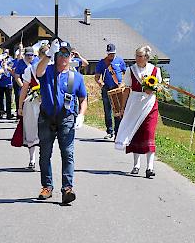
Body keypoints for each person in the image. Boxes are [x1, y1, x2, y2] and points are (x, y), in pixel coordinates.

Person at [35, 39, 87, 204]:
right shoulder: (48, 71)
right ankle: (47, 186)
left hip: (66, 118)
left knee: (67, 154)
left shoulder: (75, 77)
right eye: (61, 53)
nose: (63, 57)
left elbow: (83, 99)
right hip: (47, 118)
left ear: (71, 56)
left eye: (67, 53)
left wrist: (81, 115)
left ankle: (67, 189)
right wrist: (49, 54)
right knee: (45, 154)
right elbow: (38, 71)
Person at [114, 45, 162, 178]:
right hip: (135, 103)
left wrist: (152, 90)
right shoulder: (131, 70)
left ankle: (150, 167)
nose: (137, 58)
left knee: (149, 133)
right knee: (135, 132)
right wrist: (122, 107)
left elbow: (159, 87)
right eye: (136, 56)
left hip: (150, 104)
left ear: (146, 57)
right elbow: (127, 89)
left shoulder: (155, 70)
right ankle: (136, 165)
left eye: (140, 56)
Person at [15, 46, 41, 170]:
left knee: (36, 131)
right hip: (33, 100)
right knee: (32, 130)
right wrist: (20, 106)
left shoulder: (51, 69)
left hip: (41, 101)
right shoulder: (29, 69)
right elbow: (24, 88)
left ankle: (37, 159)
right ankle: (33, 159)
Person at [94, 43, 127, 139]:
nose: (111, 55)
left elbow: (125, 73)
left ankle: (118, 133)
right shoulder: (102, 63)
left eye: (113, 53)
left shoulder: (120, 60)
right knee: (107, 111)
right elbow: (97, 77)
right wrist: (100, 83)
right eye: (110, 54)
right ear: (107, 53)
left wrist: (123, 84)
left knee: (117, 111)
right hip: (106, 88)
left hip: (117, 88)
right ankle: (109, 131)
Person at [0, 53, 14, 119]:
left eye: (6, 57)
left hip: (8, 83)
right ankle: (1, 112)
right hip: (0, 83)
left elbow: (12, 71)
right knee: (0, 99)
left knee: (8, 99)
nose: (4, 59)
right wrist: (2, 66)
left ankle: (8, 113)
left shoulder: (11, 62)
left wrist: (7, 66)